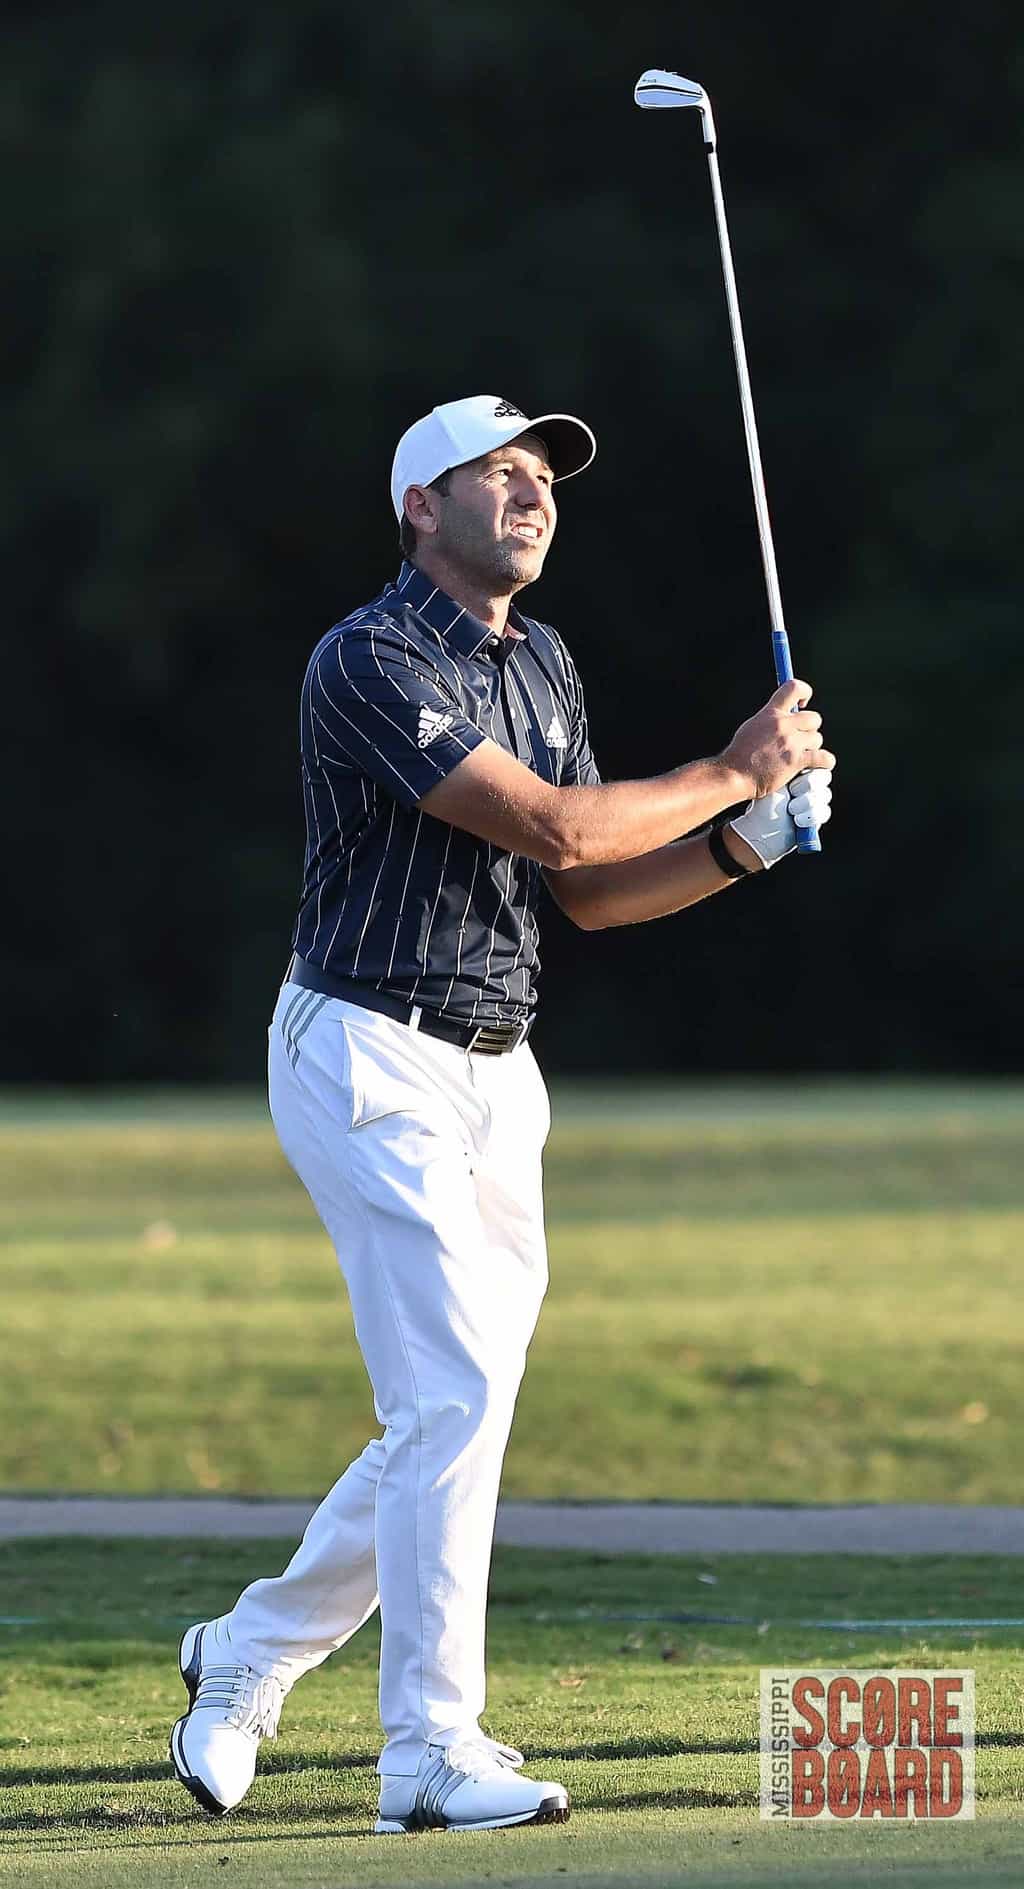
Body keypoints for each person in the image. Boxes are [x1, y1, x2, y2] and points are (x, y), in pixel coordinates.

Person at [168, 394, 834, 1835]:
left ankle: (251, 1651)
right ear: (422, 505)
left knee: (449, 1408)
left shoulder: (548, 666)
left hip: (497, 1071)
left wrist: (743, 844)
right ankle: (427, 1751)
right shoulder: (366, 658)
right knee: (455, 1392)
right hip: (364, 1051)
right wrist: (735, 766)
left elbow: (589, 894)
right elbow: (553, 827)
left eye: (545, 480)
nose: (533, 496)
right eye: (501, 475)